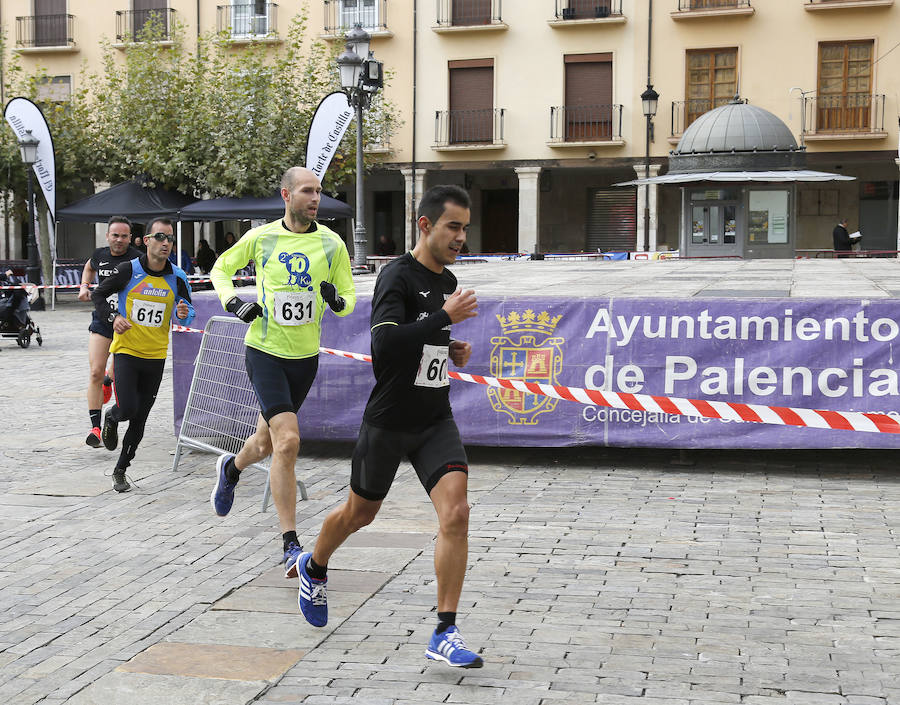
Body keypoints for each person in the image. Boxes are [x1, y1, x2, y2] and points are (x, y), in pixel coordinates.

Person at [295, 185, 481, 669]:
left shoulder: (448, 280)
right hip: (389, 420)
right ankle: (314, 567)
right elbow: (385, 349)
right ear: (425, 225)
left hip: (435, 418)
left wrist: (449, 345)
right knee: (360, 515)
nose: (461, 236)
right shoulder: (396, 276)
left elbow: (421, 342)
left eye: (464, 227)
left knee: (457, 513)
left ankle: (445, 630)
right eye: (452, 227)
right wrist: (443, 317)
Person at [208, 167, 356, 578]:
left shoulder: (332, 243)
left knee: (264, 443)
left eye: (319, 192)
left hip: (305, 358)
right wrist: (232, 301)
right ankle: (291, 544)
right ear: (286, 194)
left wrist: (336, 301)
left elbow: (349, 297)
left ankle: (231, 468)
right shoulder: (263, 237)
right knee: (288, 441)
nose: (315, 198)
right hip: (265, 351)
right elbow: (221, 268)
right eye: (307, 191)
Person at [91, 218, 194, 492]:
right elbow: (99, 295)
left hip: (156, 356)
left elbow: (188, 309)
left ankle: (121, 469)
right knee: (128, 409)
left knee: (140, 419)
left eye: (170, 238)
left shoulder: (177, 276)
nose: (166, 243)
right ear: (146, 241)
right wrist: (113, 318)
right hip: (126, 352)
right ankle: (112, 417)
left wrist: (184, 313)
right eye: (160, 237)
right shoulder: (129, 270)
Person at [77, 217, 142, 448]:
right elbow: (89, 267)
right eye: (115, 235)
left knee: (114, 373)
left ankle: (109, 381)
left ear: (130, 237)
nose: (119, 240)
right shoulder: (100, 254)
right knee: (95, 372)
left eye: (124, 236)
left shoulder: (137, 258)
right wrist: (84, 286)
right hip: (103, 319)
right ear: (107, 236)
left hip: (126, 324)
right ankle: (95, 427)